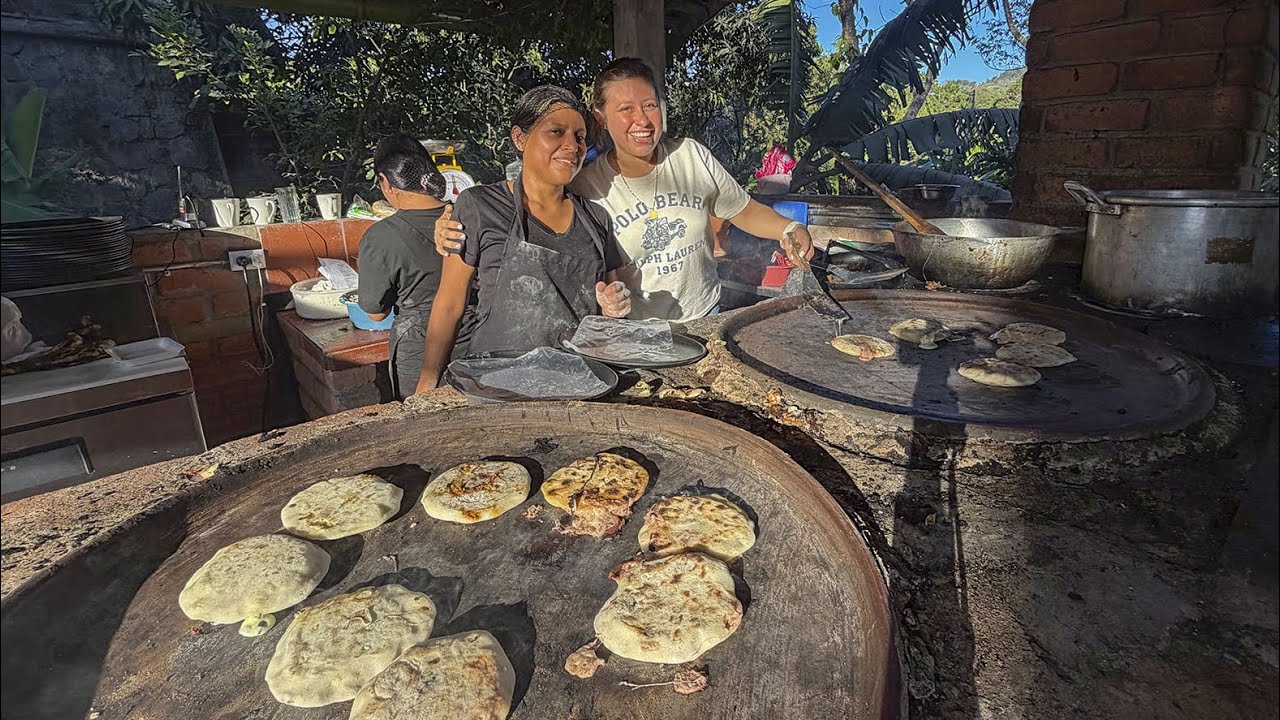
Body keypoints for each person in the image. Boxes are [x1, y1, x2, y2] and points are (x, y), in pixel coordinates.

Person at [433, 57, 814, 322]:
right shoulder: (584, 182)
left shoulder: (691, 156)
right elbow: (529, 197)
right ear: (600, 117)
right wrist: (451, 221)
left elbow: (742, 209)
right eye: (625, 109)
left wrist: (787, 229)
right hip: (632, 332)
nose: (642, 121)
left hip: (704, 318)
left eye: (650, 105)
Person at [415, 86, 632, 394]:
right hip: (496, 384)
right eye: (556, 132)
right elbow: (450, 303)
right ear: (520, 138)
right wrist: (428, 380)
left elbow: (609, 310)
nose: (572, 146)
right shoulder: (479, 206)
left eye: (580, 137)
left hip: (575, 383)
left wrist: (613, 309)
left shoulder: (596, 218)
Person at [356, 132, 471, 400]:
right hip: (479, 346)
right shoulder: (468, 215)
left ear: (385, 182)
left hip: (421, 360)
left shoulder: (382, 236)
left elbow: (374, 313)